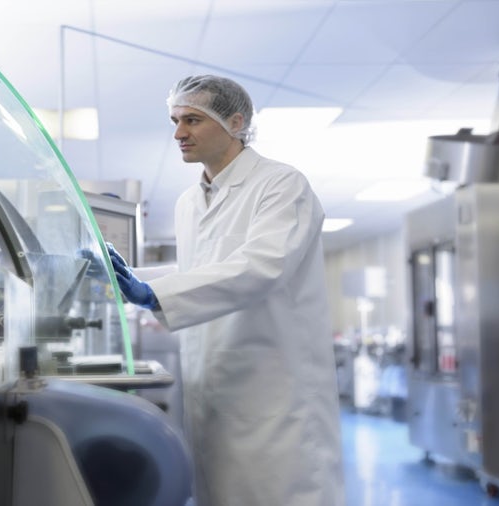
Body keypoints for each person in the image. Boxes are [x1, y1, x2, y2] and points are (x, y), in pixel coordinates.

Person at [107, 75, 345, 506]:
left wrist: (152, 294)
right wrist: (128, 278)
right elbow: (203, 271)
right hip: (212, 389)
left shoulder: (281, 185)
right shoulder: (189, 201)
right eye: (175, 120)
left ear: (235, 122)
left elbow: (261, 266)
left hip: (273, 394)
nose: (178, 133)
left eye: (193, 120)